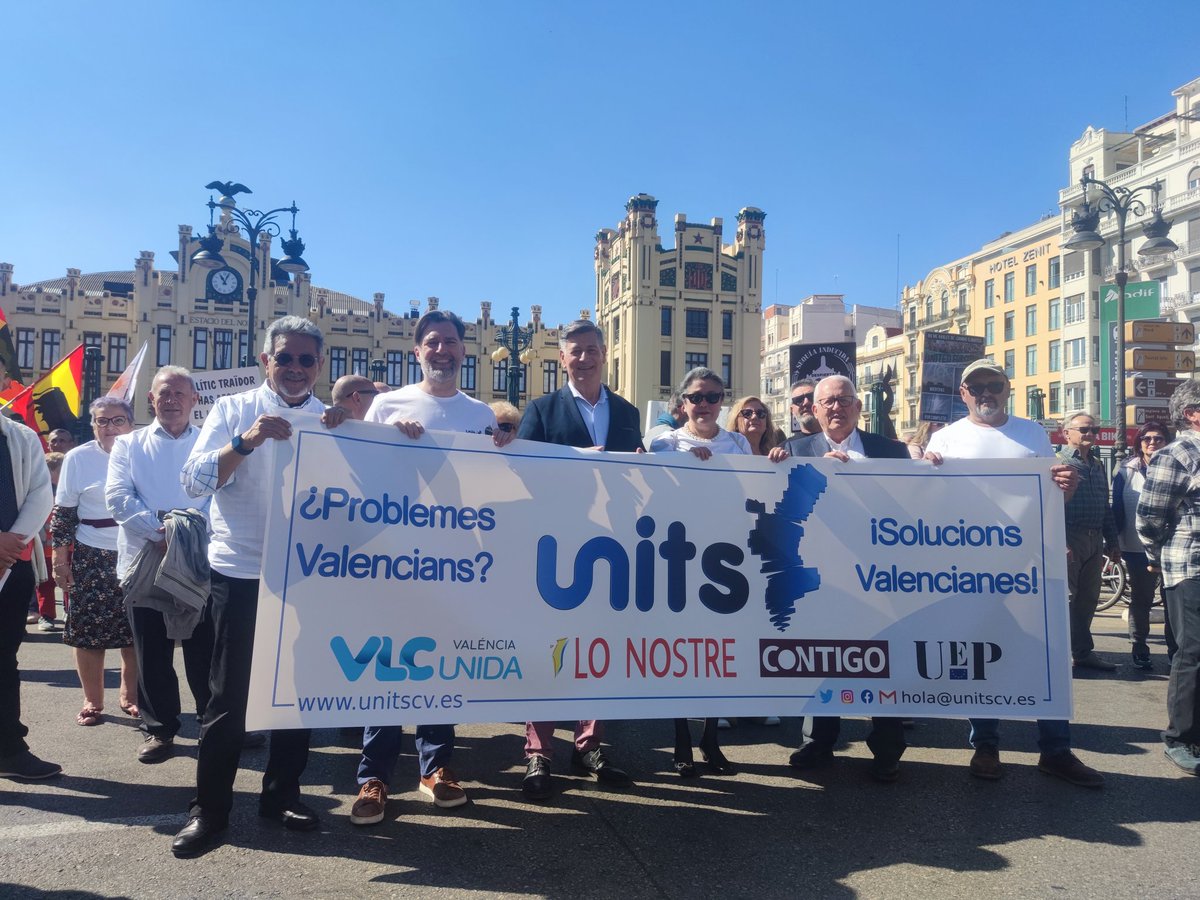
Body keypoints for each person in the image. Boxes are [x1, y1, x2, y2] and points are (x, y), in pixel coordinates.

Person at [173, 315, 345, 857]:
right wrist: (245, 444)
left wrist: (367, 437)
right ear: (266, 361)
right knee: (229, 698)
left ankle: (281, 794)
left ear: (319, 366)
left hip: (308, 575)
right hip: (241, 572)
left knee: (296, 695)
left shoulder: (330, 420)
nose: (295, 368)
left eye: (306, 359)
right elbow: (193, 481)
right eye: (284, 358)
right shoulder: (233, 410)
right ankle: (210, 811)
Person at [350, 309, 514, 826]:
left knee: (441, 664)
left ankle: (435, 767)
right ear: (417, 351)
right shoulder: (386, 404)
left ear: (463, 351)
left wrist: (507, 451)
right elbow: (357, 475)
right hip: (392, 558)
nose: (442, 350)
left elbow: (491, 493)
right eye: (432, 342)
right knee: (385, 663)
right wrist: (390, 441)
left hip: (455, 561)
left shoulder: (480, 414)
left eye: (451, 342)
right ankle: (373, 778)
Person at [925, 359, 1103, 788]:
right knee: (981, 654)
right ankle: (985, 743)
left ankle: (1055, 749)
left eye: (995, 384)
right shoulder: (944, 439)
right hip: (970, 569)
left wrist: (1066, 489)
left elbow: (1049, 498)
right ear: (963, 393)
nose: (986, 392)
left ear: (1007, 390)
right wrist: (921, 473)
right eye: (977, 385)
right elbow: (927, 504)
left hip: (1031, 566)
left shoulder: (1033, 434)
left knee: (1047, 653)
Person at [517, 319, 641, 799]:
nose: (584, 358)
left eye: (592, 350)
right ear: (562, 358)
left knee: (596, 649)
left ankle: (589, 744)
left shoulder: (627, 412)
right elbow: (520, 471)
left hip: (611, 547)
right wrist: (575, 459)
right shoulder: (542, 409)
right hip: (554, 546)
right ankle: (538, 751)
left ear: (604, 353)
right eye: (576, 352)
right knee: (550, 647)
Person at [783, 374, 910, 782]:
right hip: (821, 576)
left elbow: (919, 504)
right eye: (827, 402)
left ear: (859, 407)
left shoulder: (892, 451)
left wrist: (934, 468)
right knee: (820, 656)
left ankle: (888, 748)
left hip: (879, 575)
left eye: (844, 400)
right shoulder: (792, 450)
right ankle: (819, 742)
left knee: (883, 660)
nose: (835, 408)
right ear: (814, 410)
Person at [105, 366, 213, 763]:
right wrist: (163, 531)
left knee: (205, 649)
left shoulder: (209, 445)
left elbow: (220, 498)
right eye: (163, 394)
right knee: (152, 651)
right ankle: (159, 729)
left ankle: (210, 722)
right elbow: (118, 497)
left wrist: (185, 533)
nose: (171, 401)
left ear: (194, 400)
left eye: (179, 394)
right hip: (144, 560)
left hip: (199, 561)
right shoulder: (128, 445)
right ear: (151, 399)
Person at [650, 367, 742, 778]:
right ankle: (681, 740)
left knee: (718, 654)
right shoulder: (666, 439)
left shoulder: (738, 442)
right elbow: (652, 451)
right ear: (682, 403)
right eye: (697, 397)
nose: (705, 405)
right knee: (680, 654)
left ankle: (710, 740)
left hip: (727, 559)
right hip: (679, 558)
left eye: (714, 397)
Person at [50, 397, 137, 727]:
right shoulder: (77, 458)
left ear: (131, 423)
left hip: (139, 551)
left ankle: (132, 696)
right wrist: (60, 561)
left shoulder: (142, 452)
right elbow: (64, 515)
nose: (110, 427)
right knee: (88, 632)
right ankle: (93, 700)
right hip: (91, 554)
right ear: (93, 425)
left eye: (118, 420)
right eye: (102, 421)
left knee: (137, 631)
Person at [1136, 380, 1200, 775]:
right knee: (1192, 653)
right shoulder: (1175, 454)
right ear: (1193, 412)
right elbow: (1149, 518)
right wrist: (1157, 555)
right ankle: (1180, 738)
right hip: (1190, 565)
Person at [0, 400, 60, 781]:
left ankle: (8, 749)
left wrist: (11, 543)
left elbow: (41, 493)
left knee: (4, 659)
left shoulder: (19, 436)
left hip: (11, 566)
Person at [1058, 412, 1121, 672]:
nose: (1090, 435)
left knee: (1088, 599)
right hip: (1070, 538)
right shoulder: (1058, 462)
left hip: (1095, 539)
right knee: (1067, 600)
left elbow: (1104, 505)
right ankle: (1061, 656)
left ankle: (1082, 653)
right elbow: (1050, 506)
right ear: (1067, 433)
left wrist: (1112, 541)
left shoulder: (1096, 464)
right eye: (1084, 430)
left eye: (1093, 430)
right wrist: (1058, 540)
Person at [1113, 421, 1174, 670]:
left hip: (1173, 547)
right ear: (1139, 443)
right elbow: (1116, 509)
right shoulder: (1126, 472)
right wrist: (1114, 543)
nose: (1152, 443)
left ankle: (1175, 650)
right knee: (1142, 599)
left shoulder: (1177, 466)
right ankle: (1139, 646)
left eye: (1158, 438)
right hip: (1137, 547)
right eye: (1146, 438)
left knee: (1174, 602)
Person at [33, 451, 64, 631]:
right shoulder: (40, 491)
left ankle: (70, 613)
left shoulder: (67, 490)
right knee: (45, 584)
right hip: (44, 549)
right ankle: (46, 616)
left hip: (66, 549)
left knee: (69, 583)